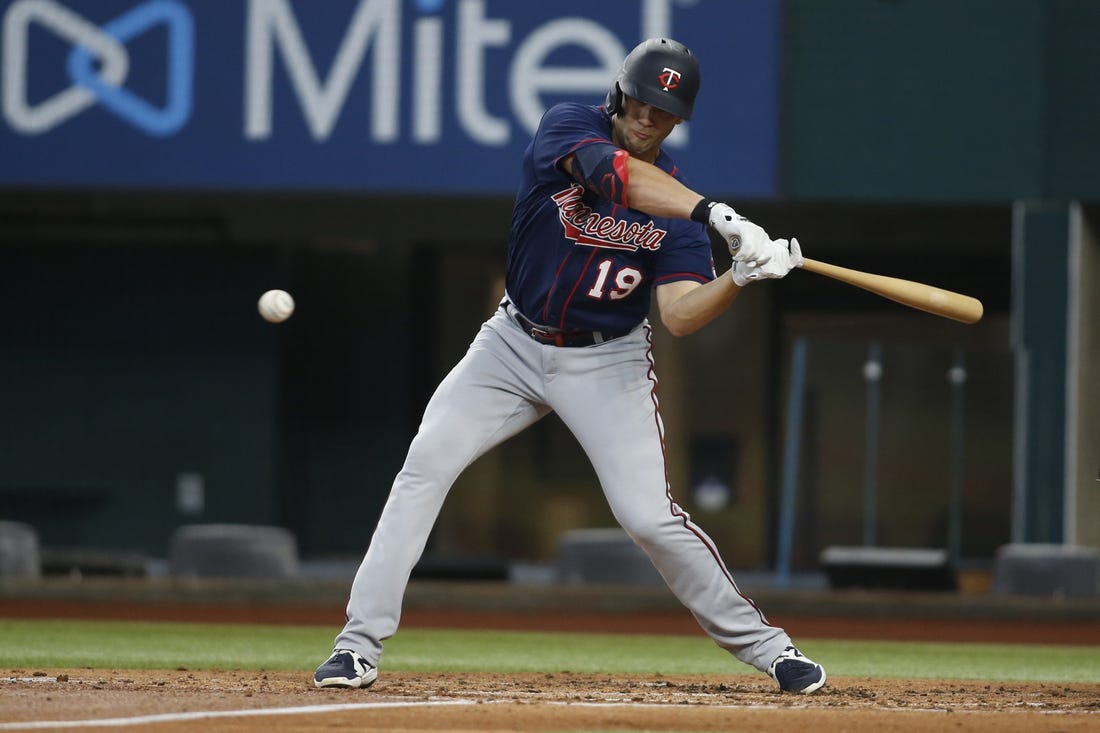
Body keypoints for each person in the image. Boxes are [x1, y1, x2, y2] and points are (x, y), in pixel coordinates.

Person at [314, 37, 826, 695]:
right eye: (642, 100)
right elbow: (616, 177)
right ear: (620, 93)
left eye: (663, 110)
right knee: (425, 466)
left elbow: (679, 315)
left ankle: (771, 649)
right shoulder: (569, 127)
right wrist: (714, 210)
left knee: (650, 517)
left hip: (605, 362)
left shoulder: (678, 218)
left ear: (677, 121)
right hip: (510, 345)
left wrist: (740, 278)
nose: (648, 116)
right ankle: (357, 646)